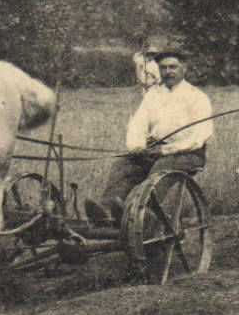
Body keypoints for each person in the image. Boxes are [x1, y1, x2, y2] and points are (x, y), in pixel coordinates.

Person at [85, 46, 212, 223]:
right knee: (123, 165)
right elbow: (138, 124)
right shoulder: (154, 94)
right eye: (163, 68)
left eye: (173, 67)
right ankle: (107, 212)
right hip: (154, 149)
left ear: (184, 68)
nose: (168, 72)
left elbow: (197, 138)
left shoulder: (197, 97)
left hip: (186, 153)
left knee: (158, 173)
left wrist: (165, 150)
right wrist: (137, 146)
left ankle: (143, 217)